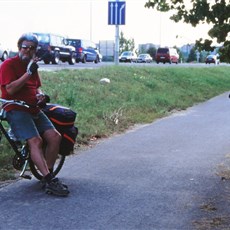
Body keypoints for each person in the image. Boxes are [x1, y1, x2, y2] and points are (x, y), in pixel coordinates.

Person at [0, 33, 69, 196]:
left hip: (33, 108)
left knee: (55, 136)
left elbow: (36, 87)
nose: (28, 51)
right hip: (15, 108)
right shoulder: (9, 65)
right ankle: (50, 180)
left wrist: (40, 95)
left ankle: (48, 174)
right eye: (25, 47)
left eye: (32, 48)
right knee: (35, 140)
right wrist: (28, 73)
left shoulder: (31, 66)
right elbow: (10, 89)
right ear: (19, 48)